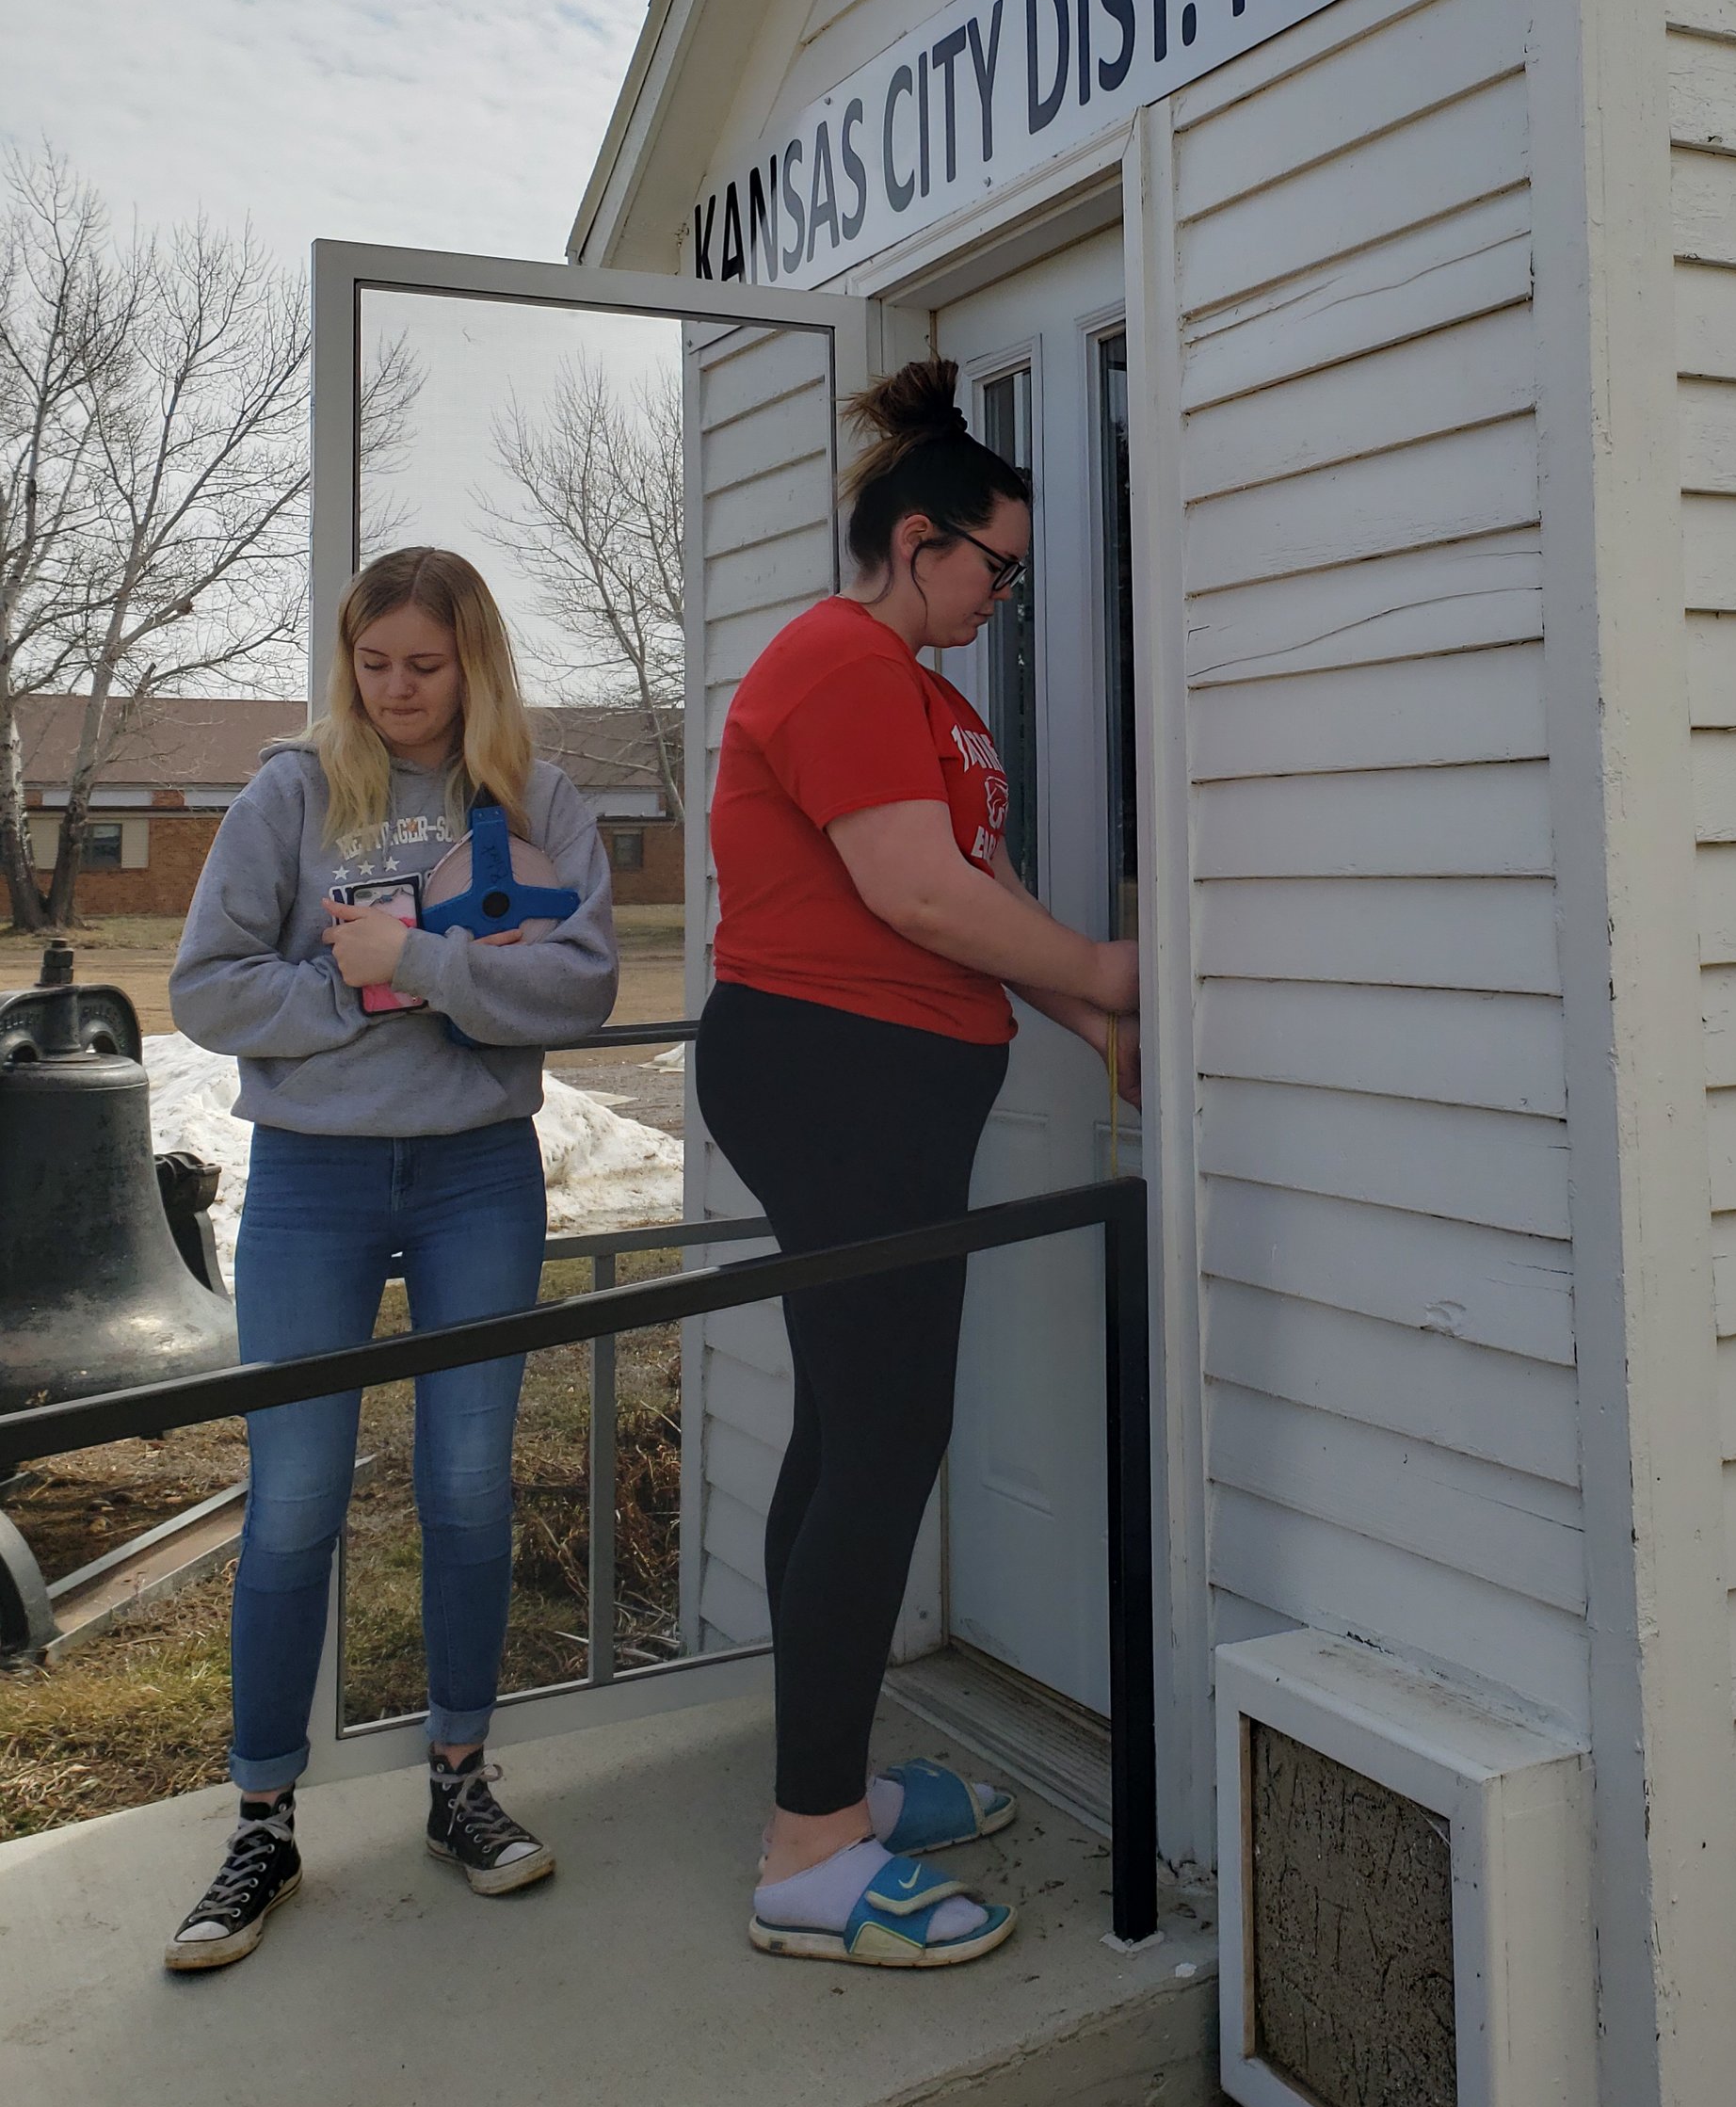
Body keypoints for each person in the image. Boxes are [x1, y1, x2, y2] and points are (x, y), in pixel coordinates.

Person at [697, 359, 1141, 1970]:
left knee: (850, 1429)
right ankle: (809, 1855)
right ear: (917, 541)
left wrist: (1086, 1007)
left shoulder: (935, 701)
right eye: (997, 568)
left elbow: (984, 886)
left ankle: (828, 1783)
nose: (1005, 597)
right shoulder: (834, 658)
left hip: (888, 1081)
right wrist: (1109, 973)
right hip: (831, 1071)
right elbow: (914, 895)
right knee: (886, 1434)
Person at [162, 547, 619, 1970]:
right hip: (312, 1181)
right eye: (375, 664)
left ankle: (460, 1783)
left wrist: (417, 961)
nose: (400, 690)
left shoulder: (534, 799)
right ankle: (260, 1820)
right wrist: (349, 982)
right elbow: (202, 985)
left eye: (426, 665)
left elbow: (584, 978)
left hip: (481, 1168)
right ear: (347, 662)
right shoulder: (289, 794)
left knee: (469, 1482)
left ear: (472, 661)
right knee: (293, 1494)